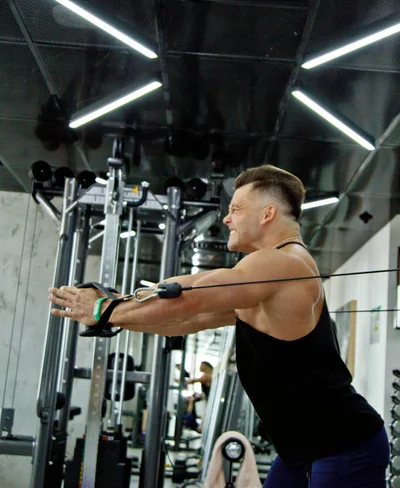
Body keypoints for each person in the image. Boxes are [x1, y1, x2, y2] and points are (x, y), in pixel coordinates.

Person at [49, 164, 389, 487]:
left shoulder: (284, 263)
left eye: (237, 208)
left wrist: (104, 309)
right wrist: (114, 310)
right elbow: (186, 318)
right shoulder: (270, 275)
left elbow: (189, 296)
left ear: (268, 213)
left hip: (345, 447)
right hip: (300, 450)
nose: (227, 218)